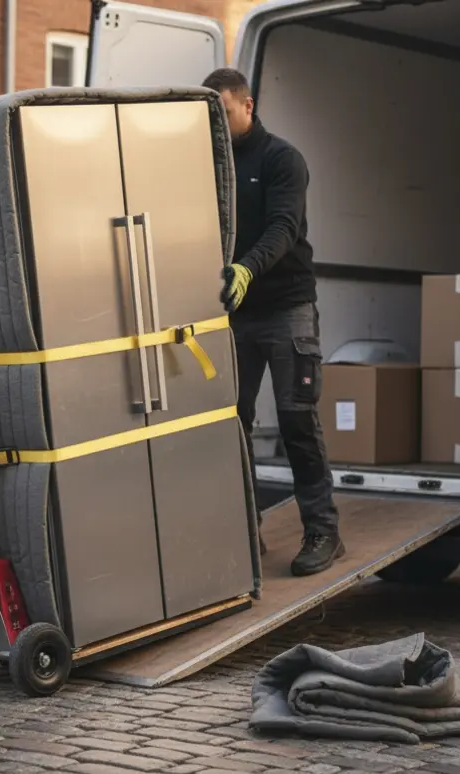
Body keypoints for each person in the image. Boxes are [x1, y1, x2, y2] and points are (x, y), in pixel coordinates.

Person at [207, 67, 345, 577]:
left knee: (296, 420)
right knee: (231, 423)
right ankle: (245, 532)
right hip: (235, 315)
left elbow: (284, 228)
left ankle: (324, 531)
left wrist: (247, 266)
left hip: (287, 307)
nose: (218, 126)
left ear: (248, 105)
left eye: (223, 113)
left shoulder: (282, 159)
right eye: (210, 118)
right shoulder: (208, 164)